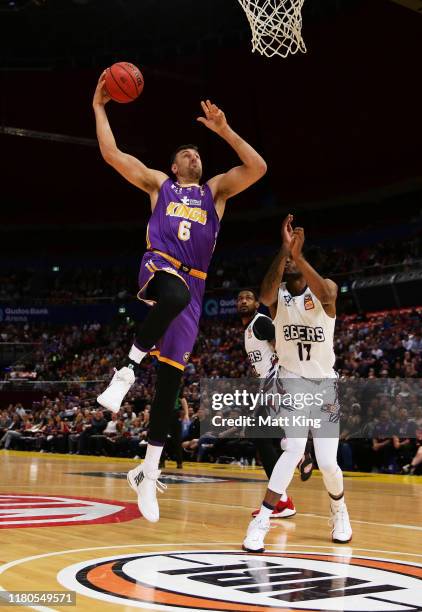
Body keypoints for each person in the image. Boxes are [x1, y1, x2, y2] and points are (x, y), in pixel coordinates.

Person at [92, 74, 267, 523]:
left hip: (195, 286)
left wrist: (225, 131)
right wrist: (100, 107)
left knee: (171, 383)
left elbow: (258, 168)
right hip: (160, 266)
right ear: (173, 167)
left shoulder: (216, 192)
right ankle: (126, 370)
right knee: (172, 291)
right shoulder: (158, 186)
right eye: (186, 153)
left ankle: (148, 473)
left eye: (198, 153)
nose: (195, 154)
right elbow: (112, 155)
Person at [242, 215, 352, 552]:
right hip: (292, 383)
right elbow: (264, 293)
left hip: (325, 385)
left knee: (329, 463)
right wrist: (283, 249)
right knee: (291, 450)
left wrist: (299, 257)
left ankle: (339, 509)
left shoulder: (325, 292)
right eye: (287, 261)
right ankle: (261, 519)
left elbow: (328, 292)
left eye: (294, 259)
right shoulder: (278, 302)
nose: (290, 262)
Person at [237, 288, 313, 519]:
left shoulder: (261, 322)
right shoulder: (249, 329)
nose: (243, 301)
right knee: (264, 437)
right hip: (267, 384)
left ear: (257, 304)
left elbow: (283, 345)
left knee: (259, 434)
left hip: (277, 382)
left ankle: (282, 500)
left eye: (248, 298)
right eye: (240, 298)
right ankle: (296, 455)